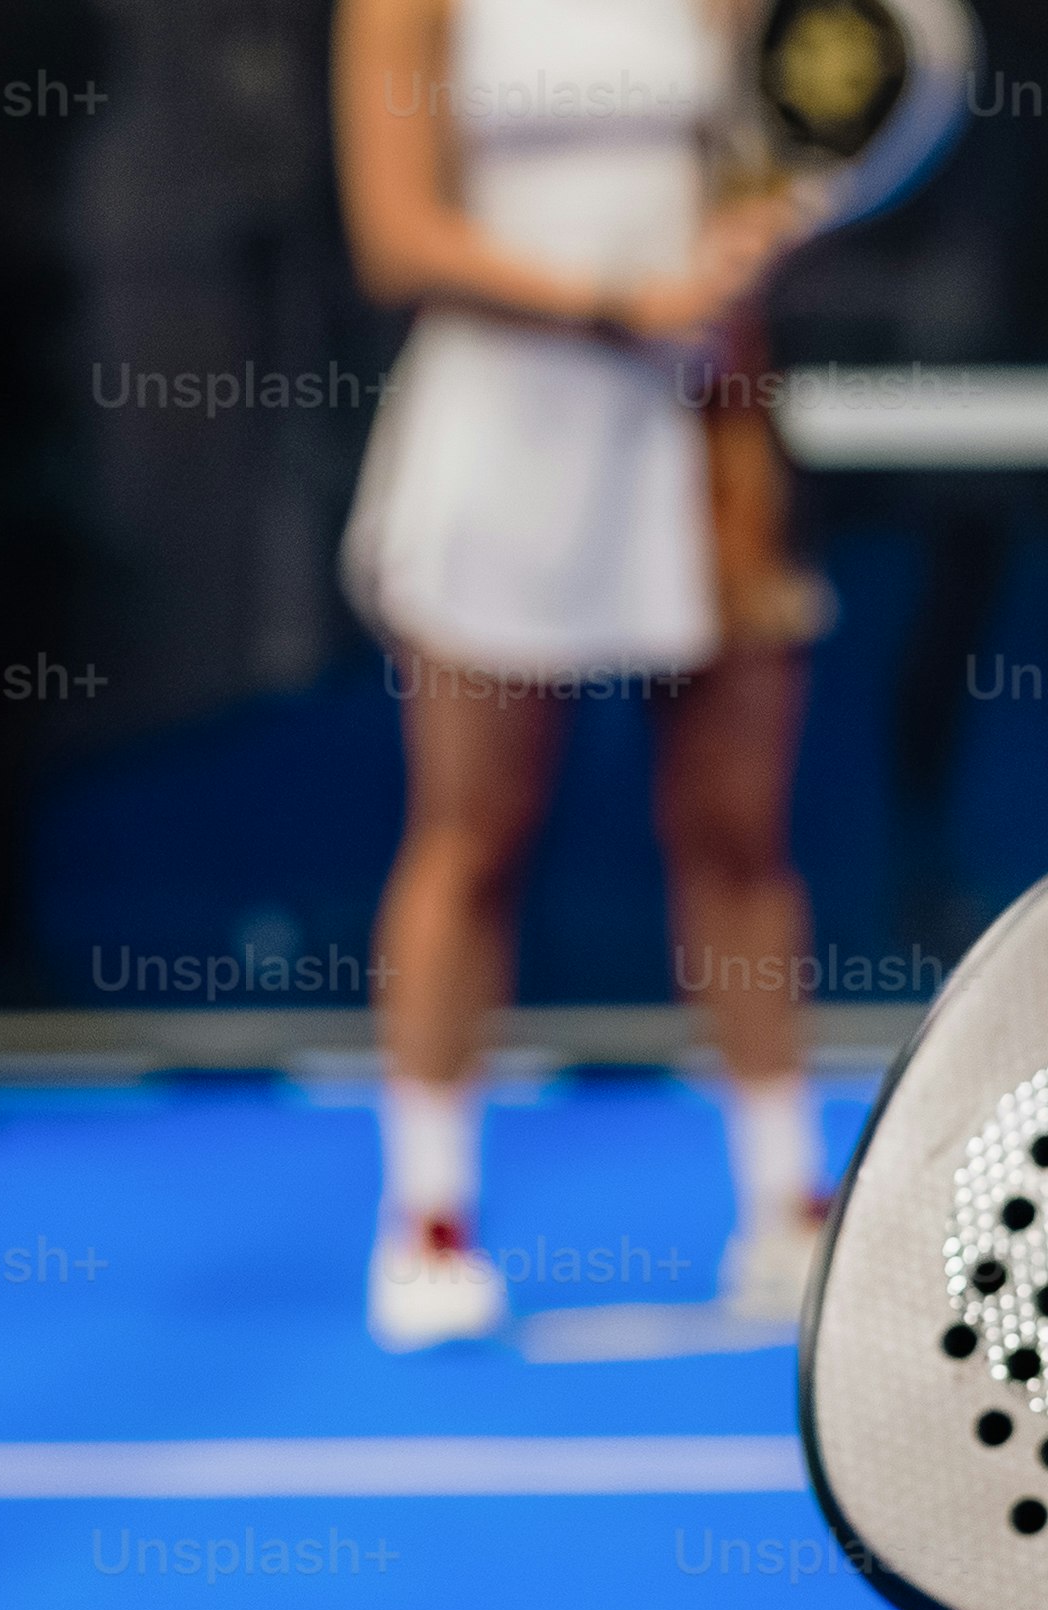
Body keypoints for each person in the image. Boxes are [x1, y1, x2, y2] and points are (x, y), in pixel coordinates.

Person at [336, 0, 832, 1350]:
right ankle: (429, 1216)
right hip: (504, 432)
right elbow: (397, 235)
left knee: (740, 831)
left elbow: (782, 139)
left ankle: (789, 1206)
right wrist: (622, 302)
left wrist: (742, 258)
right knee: (472, 836)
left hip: (698, 427)